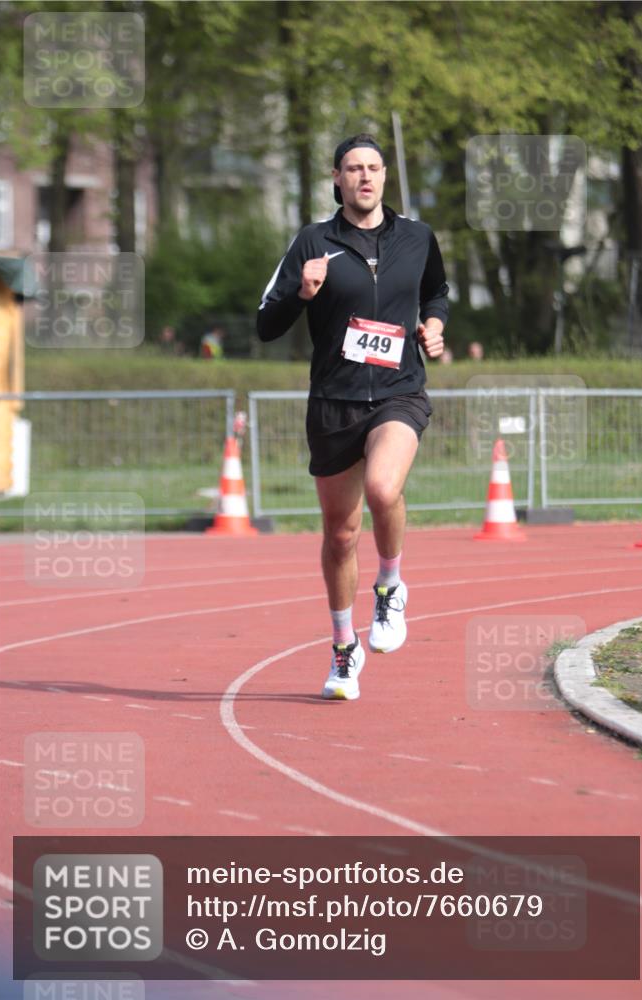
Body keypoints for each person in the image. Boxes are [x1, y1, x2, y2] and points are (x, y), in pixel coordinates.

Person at [257, 134, 449, 701]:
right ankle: (344, 649)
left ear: (385, 175)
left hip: (399, 391)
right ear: (336, 179)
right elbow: (267, 325)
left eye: (372, 167)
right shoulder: (313, 242)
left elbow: (436, 291)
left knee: (383, 488)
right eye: (352, 169)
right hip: (334, 402)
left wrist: (433, 326)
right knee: (340, 534)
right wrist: (302, 291)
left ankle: (390, 586)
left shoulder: (416, 237)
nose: (364, 177)